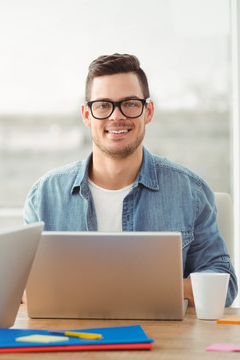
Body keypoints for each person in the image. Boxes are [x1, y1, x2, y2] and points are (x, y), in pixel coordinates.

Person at [24, 53, 238, 307]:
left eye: (130, 103)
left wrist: (136, 287)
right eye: (103, 105)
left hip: (163, 342)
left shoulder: (189, 191)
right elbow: (19, 286)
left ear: (148, 111)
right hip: (74, 340)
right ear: (86, 114)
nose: (116, 116)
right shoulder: (45, 195)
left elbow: (224, 283)